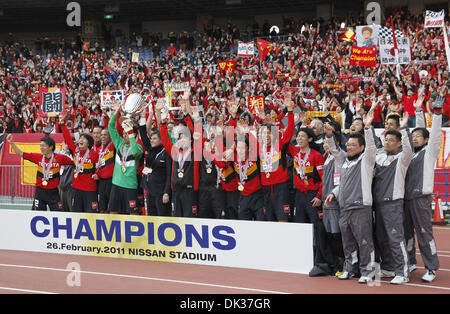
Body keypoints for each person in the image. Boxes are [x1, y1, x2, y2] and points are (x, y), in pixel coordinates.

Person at [324, 110, 377, 284]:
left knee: (364, 241)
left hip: (361, 207)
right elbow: (334, 150)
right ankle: (350, 269)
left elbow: (371, 147)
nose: (349, 147)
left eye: (353, 145)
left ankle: (367, 271)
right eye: (349, 145)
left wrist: (368, 127)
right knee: (348, 243)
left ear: (361, 147)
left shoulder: (366, 161)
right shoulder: (344, 162)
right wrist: (329, 135)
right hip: (344, 208)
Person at [403, 92, 443, 283]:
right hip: (406, 198)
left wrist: (436, 114)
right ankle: (410, 261)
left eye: (419, 136)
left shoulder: (429, 152)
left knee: (424, 234)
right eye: (414, 136)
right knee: (406, 233)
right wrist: (418, 110)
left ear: (426, 140)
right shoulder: (409, 154)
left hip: (421, 198)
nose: (416, 138)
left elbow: (434, 134)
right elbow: (418, 128)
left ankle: (431, 267)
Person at [372, 112, 413, 284]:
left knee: (396, 238)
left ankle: (402, 272)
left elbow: (409, 147)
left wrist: (404, 128)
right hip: (378, 204)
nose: (387, 142)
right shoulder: (379, 157)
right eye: (386, 139)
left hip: (394, 203)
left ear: (399, 143)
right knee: (382, 237)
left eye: (391, 140)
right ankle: (388, 267)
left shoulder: (403, 158)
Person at [7, 134, 73, 211]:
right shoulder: (38, 157)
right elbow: (21, 153)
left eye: (43, 146)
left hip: (53, 192)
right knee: (37, 213)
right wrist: (11, 142)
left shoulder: (60, 158)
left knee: (58, 214)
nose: (41, 148)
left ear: (51, 147)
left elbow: (75, 161)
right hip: (40, 192)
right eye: (40, 146)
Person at [258, 91, 295, 222]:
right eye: (263, 134)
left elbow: (290, 129)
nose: (266, 136)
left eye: (269, 133)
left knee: (282, 221)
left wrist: (290, 110)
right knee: (269, 222)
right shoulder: (258, 147)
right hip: (265, 189)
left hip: (281, 188)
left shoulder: (280, 145)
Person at [108, 105, 144, 215]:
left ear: (133, 135)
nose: (124, 136)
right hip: (116, 184)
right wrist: (117, 111)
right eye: (123, 134)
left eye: (127, 134)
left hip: (130, 187)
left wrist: (131, 134)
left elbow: (134, 152)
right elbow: (111, 127)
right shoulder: (119, 144)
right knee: (113, 212)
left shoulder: (138, 147)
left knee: (132, 215)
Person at [322, 122, 346, 276]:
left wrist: (330, 135)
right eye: (324, 141)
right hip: (326, 203)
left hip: (336, 202)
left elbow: (335, 150)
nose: (325, 144)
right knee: (330, 234)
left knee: (338, 235)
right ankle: (337, 263)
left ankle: (343, 264)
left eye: (328, 141)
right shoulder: (328, 158)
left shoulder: (339, 156)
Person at [60, 118, 100, 213]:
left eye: (84, 139)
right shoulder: (75, 151)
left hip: (90, 190)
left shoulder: (94, 154)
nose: (81, 140)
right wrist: (62, 125)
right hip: (76, 190)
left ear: (89, 143)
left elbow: (99, 168)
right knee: (76, 214)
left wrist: (97, 174)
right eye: (80, 138)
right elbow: (68, 139)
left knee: (91, 215)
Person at [139, 105, 172, 217]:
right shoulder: (151, 150)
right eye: (151, 138)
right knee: (151, 218)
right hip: (149, 191)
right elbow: (143, 135)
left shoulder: (166, 152)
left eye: (154, 138)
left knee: (162, 218)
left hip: (161, 193)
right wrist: (143, 117)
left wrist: (166, 192)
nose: (151, 141)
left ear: (161, 140)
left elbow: (169, 174)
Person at [94, 127, 115, 213]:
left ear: (110, 136)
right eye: (101, 135)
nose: (102, 137)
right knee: (102, 208)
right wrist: (96, 174)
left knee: (112, 208)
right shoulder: (98, 150)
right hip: (101, 181)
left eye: (105, 135)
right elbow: (97, 165)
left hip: (111, 181)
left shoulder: (113, 146)